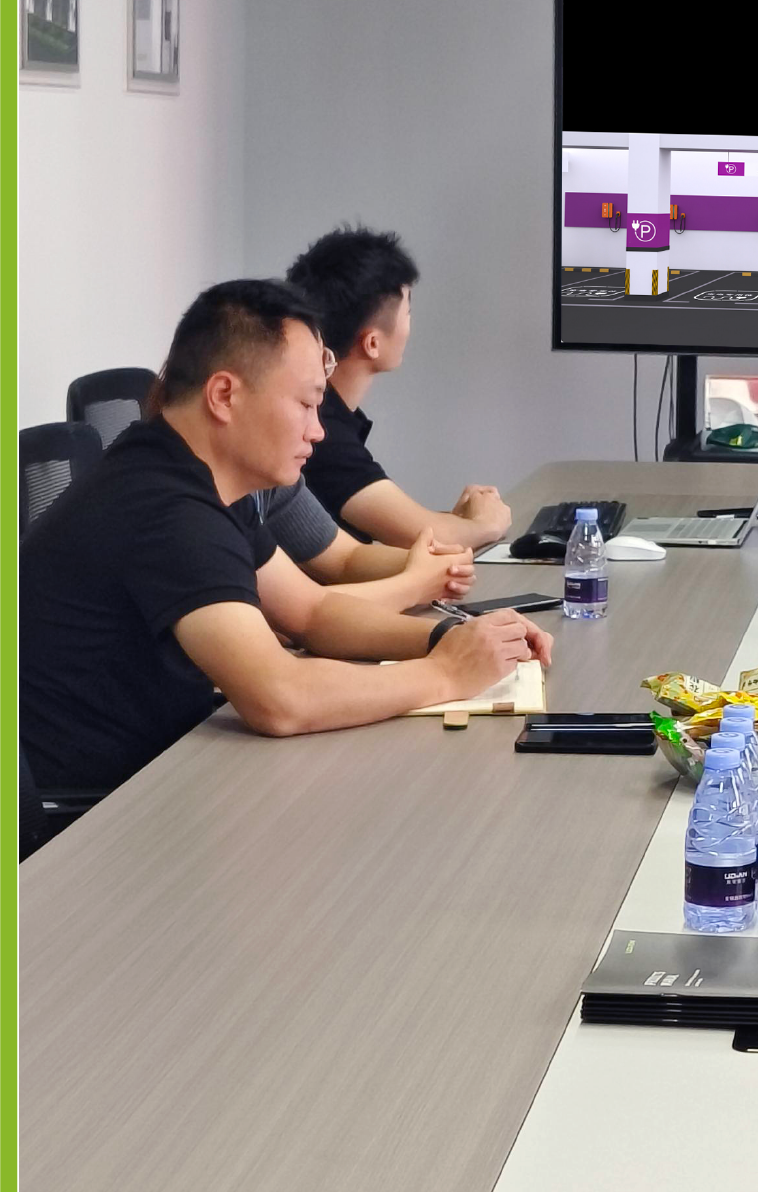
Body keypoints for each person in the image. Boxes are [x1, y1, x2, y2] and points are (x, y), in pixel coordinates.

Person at [20, 279, 550, 796]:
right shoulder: (167, 508)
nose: (317, 430)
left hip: (163, 767)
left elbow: (311, 613)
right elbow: (280, 698)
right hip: (94, 814)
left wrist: (452, 638)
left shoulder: (192, 473)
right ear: (224, 395)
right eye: (305, 404)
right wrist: (446, 673)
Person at [286, 226, 511, 550]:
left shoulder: (329, 415)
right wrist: (488, 522)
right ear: (372, 343)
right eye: (407, 312)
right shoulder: (322, 432)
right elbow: (426, 537)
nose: (409, 325)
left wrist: (459, 522)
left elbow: (415, 529)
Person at [250, 477, 476, 612]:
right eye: (305, 411)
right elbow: (302, 611)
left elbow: (344, 557)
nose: (318, 433)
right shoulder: (230, 502)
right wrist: (415, 585)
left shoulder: (271, 480)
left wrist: (432, 565)